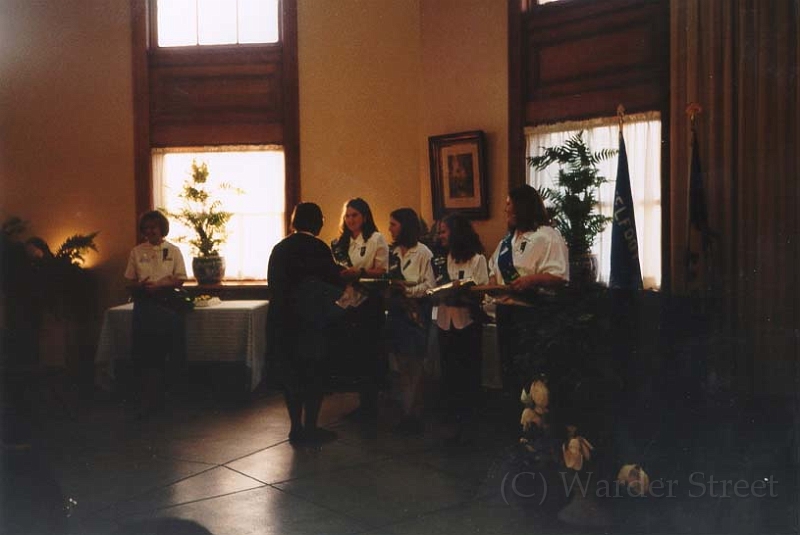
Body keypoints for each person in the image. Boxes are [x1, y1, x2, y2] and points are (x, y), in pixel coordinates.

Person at [267, 202, 345, 446]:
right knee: (313, 374)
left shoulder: (280, 248)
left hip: (283, 320)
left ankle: (295, 427)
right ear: (318, 222)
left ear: (294, 222)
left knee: (291, 376)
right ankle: (311, 426)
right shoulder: (319, 248)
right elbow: (333, 279)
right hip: (311, 322)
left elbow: (273, 284)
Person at [487, 185, 569, 394]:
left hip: (532, 313)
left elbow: (559, 276)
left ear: (522, 207)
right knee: (509, 372)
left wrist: (531, 280)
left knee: (530, 372)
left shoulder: (547, 236)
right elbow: (493, 268)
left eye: (509, 206)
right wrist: (492, 283)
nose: (506, 211)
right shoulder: (508, 240)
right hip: (507, 312)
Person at [329, 198, 389, 419]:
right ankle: (361, 403)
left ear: (364, 216)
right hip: (347, 300)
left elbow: (381, 269)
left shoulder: (376, 238)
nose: (351, 219)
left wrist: (359, 272)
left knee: (369, 352)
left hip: (369, 301)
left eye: (355, 215)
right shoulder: (340, 243)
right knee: (353, 352)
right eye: (348, 215)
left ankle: (370, 403)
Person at [124, 210, 188, 417]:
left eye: (154, 227)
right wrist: (140, 286)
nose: (151, 231)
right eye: (147, 227)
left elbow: (179, 279)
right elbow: (129, 281)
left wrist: (161, 284)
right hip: (145, 306)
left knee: (170, 351)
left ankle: (170, 399)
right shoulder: (136, 251)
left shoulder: (174, 250)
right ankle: (149, 400)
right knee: (146, 353)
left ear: (162, 228)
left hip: (168, 304)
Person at [433, 213, 489, 445]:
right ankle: (452, 426)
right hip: (445, 322)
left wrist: (463, 294)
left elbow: (483, 291)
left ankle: (469, 428)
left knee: (468, 376)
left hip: (467, 324)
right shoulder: (440, 259)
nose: (440, 236)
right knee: (449, 376)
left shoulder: (476, 259)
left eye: (444, 231)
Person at [384, 208, 436, 433]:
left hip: (415, 311)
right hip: (397, 313)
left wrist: (409, 292)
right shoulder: (392, 253)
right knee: (401, 365)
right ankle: (405, 411)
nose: (389, 228)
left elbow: (430, 285)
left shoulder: (423, 253)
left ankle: (415, 414)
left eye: (393, 224)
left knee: (415, 364)